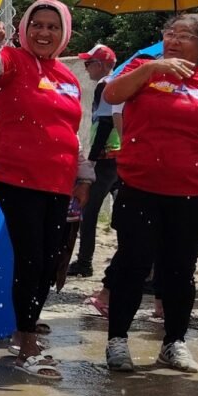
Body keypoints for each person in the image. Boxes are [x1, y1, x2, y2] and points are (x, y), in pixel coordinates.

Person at [98, 13, 198, 373]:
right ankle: (117, 341)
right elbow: (111, 93)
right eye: (170, 33)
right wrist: (152, 70)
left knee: (179, 269)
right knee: (132, 265)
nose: (174, 40)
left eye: (185, 35)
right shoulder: (142, 68)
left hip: (191, 192)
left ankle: (174, 343)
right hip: (139, 187)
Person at [0, 0, 93, 380]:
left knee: (50, 259)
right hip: (16, 175)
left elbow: (76, 133)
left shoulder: (70, 78)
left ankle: (26, 325)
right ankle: (26, 341)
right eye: (38, 25)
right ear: (26, 29)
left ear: (64, 33)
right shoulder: (13, 60)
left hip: (58, 180)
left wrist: (85, 178)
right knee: (32, 257)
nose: (44, 32)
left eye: (52, 27)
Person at [67, 43, 118, 276]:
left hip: (107, 156)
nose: (86, 68)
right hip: (121, 156)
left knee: (88, 209)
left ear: (101, 65)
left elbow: (106, 123)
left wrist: (92, 159)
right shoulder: (120, 83)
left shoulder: (105, 85)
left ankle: (85, 262)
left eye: (89, 63)